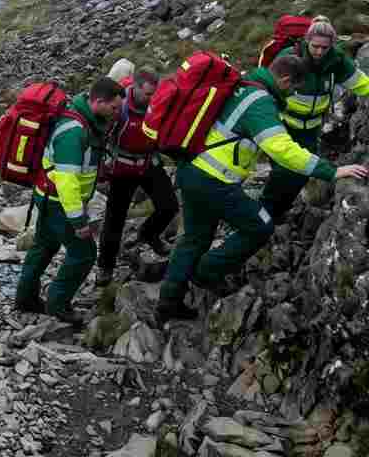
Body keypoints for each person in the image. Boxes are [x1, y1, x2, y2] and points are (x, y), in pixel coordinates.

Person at [156, 53, 369, 323]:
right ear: (284, 79)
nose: (292, 95)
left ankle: (167, 303)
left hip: (191, 172)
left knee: (194, 238)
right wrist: (331, 171)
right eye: (292, 88)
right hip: (214, 181)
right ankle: (206, 273)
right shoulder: (258, 102)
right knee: (260, 226)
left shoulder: (243, 85)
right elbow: (280, 148)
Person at [15, 77, 125, 326]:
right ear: (98, 102)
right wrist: (78, 220)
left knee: (43, 246)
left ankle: (25, 298)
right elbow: (66, 180)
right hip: (60, 202)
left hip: (46, 195)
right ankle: (58, 303)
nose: (117, 113)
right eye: (114, 108)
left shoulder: (83, 119)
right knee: (84, 253)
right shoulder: (75, 131)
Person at [261, 17, 369, 224]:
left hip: (311, 128)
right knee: (283, 171)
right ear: (306, 41)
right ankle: (266, 214)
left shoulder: (337, 61)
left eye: (324, 47)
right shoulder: (291, 58)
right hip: (283, 125)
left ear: (332, 45)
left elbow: (360, 83)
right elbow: (269, 88)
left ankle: (278, 211)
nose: (319, 52)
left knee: (301, 172)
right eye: (315, 46)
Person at [96, 68, 179, 286]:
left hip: (149, 163)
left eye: (155, 93)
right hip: (122, 168)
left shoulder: (158, 104)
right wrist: (100, 166)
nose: (152, 98)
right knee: (115, 220)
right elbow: (101, 134)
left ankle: (148, 234)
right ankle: (105, 267)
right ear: (135, 87)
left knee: (169, 205)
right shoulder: (119, 106)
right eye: (148, 94)